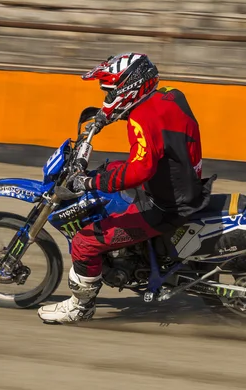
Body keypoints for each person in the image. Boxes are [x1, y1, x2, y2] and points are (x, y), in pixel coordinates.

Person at [37, 52, 214, 324]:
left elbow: (140, 170)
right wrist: (105, 116)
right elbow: (153, 127)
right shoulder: (170, 95)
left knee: (86, 242)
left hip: (167, 203)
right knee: (110, 169)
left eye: (109, 92)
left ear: (128, 87)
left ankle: (80, 307)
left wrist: (89, 182)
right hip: (181, 178)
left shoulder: (141, 119)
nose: (107, 97)